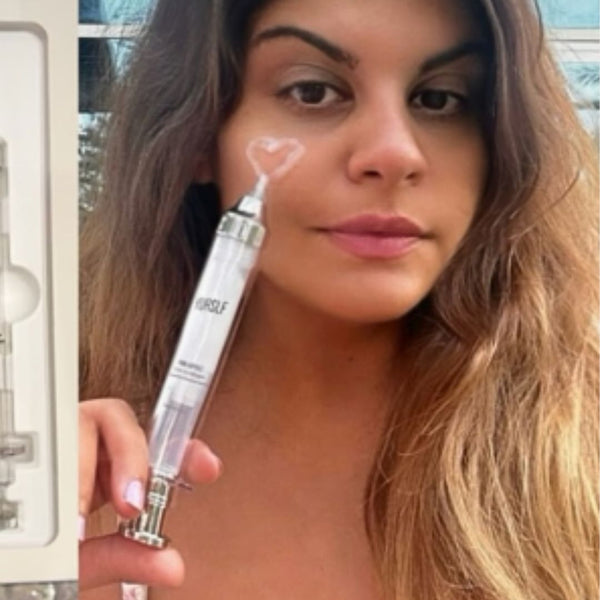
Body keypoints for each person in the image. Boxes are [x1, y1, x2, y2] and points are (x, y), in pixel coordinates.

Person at [78, 0, 599, 598]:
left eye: (439, 99)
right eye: (313, 91)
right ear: (199, 135)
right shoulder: (54, 453)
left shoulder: (577, 455)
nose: (395, 155)